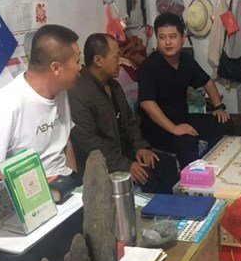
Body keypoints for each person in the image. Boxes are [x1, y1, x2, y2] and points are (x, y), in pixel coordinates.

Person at [0, 24, 81, 178]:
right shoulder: (7, 105)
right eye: (77, 61)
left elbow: (65, 142)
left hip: (65, 182)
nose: (80, 67)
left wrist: (74, 181)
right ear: (56, 68)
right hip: (33, 189)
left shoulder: (60, 91)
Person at [68, 33, 178, 193]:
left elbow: (130, 121)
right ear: (98, 60)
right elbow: (90, 144)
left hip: (125, 152)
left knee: (166, 164)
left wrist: (141, 147)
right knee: (148, 177)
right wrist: (126, 165)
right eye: (116, 57)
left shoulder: (114, 85)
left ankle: (175, 207)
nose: (120, 61)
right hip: (103, 164)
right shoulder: (79, 93)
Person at [138, 12, 233, 169]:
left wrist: (218, 107)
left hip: (182, 118)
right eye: (162, 37)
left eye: (172, 36)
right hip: (157, 127)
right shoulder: (149, 66)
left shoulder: (186, 61)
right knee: (187, 140)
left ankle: (214, 166)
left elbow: (207, 82)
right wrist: (174, 128)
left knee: (223, 123)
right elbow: (147, 104)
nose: (167, 42)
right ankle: (190, 180)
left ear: (182, 38)